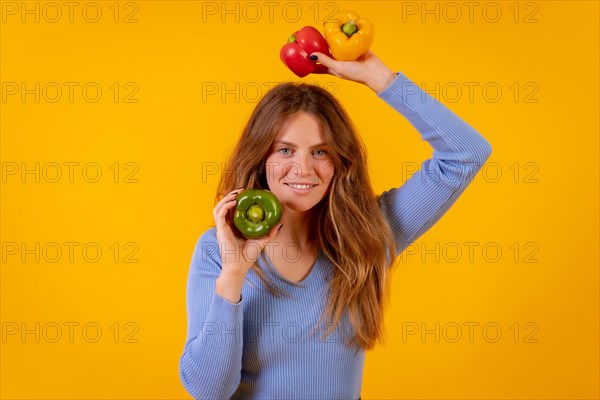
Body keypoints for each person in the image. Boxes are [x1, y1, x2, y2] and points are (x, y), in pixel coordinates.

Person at [179, 50, 492, 399]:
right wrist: (234, 274)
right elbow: (209, 391)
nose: (304, 169)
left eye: (320, 152)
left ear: (339, 160)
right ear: (260, 157)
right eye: (284, 150)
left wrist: (379, 79)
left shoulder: (368, 235)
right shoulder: (217, 252)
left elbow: (466, 154)